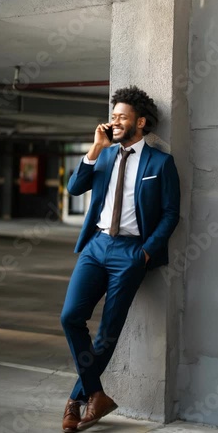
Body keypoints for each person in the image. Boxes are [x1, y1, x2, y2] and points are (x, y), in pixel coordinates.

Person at [60, 85, 180, 432]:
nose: (114, 122)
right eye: (112, 117)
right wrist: (95, 148)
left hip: (131, 251)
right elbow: (74, 188)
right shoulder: (106, 155)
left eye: (121, 117)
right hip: (97, 246)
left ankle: (75, 400)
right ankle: (96, 394)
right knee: (71, 317)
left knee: (108, 332)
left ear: (140, 122)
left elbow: (171, 214)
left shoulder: (161, 162)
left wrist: (145, 252)